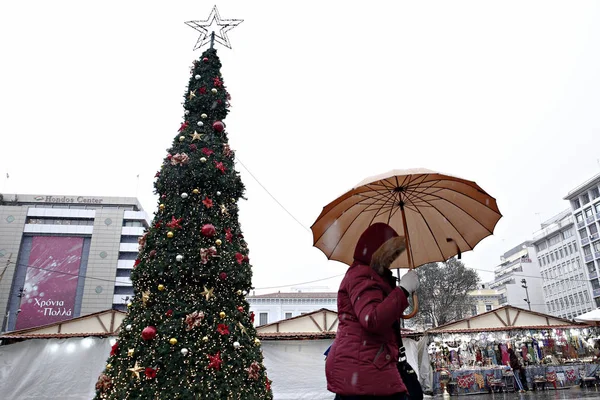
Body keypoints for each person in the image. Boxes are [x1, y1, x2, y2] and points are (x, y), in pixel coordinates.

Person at [325, 223, 420, 400]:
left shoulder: (372, 276)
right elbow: (372, 319)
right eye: (389, 255)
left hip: (366, 366)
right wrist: (403, 290)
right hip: (365, 368)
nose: (391, 261)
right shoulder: (362, 275)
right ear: (377, 253)